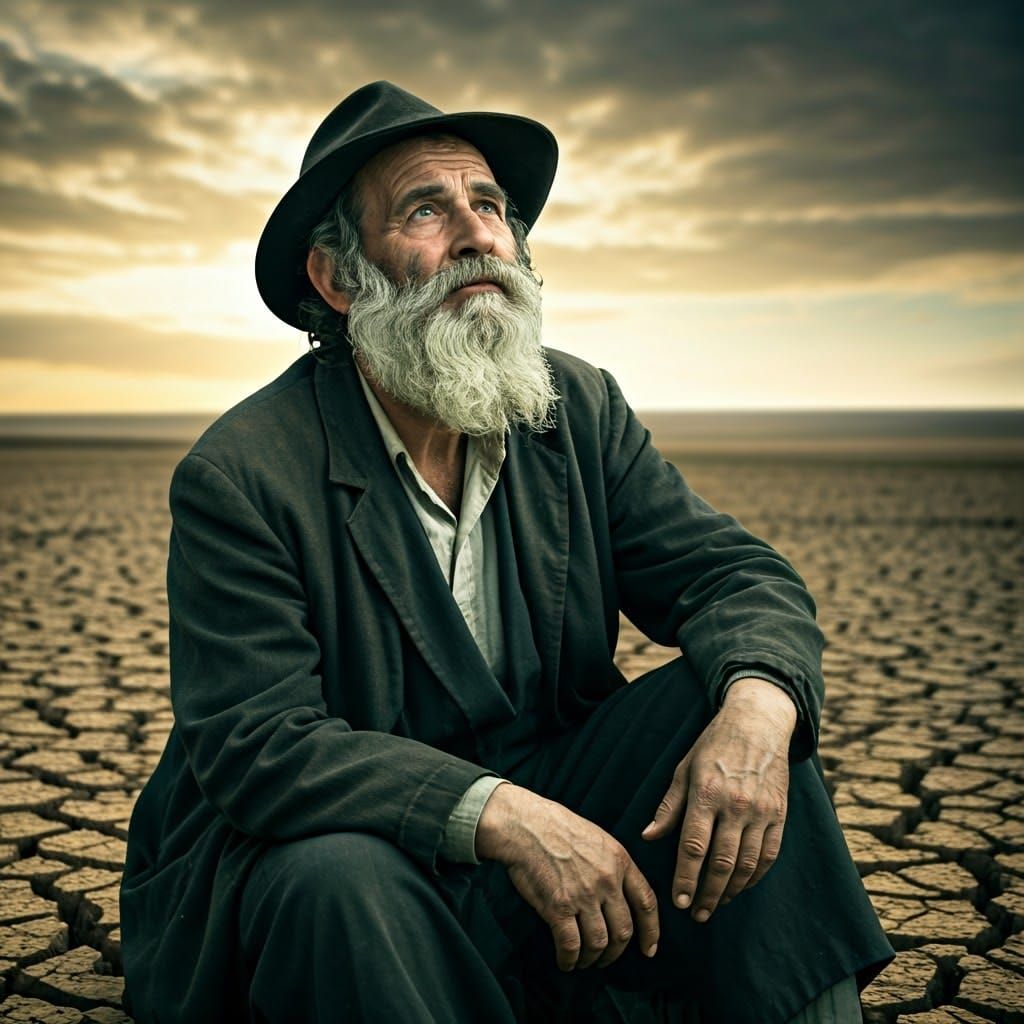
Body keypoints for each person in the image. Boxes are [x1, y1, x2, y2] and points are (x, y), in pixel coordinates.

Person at [120, 81, 893, 1023]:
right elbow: (260, 748)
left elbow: (734, 577)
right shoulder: (244, 473)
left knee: (729, 709)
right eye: (424, 209)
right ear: (337, 277)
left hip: (551, 799)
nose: (477, 234)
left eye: (490, 205)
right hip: (356, 853)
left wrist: (762, 710)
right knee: (333, 876)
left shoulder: (576, 409)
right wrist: (501, 816)